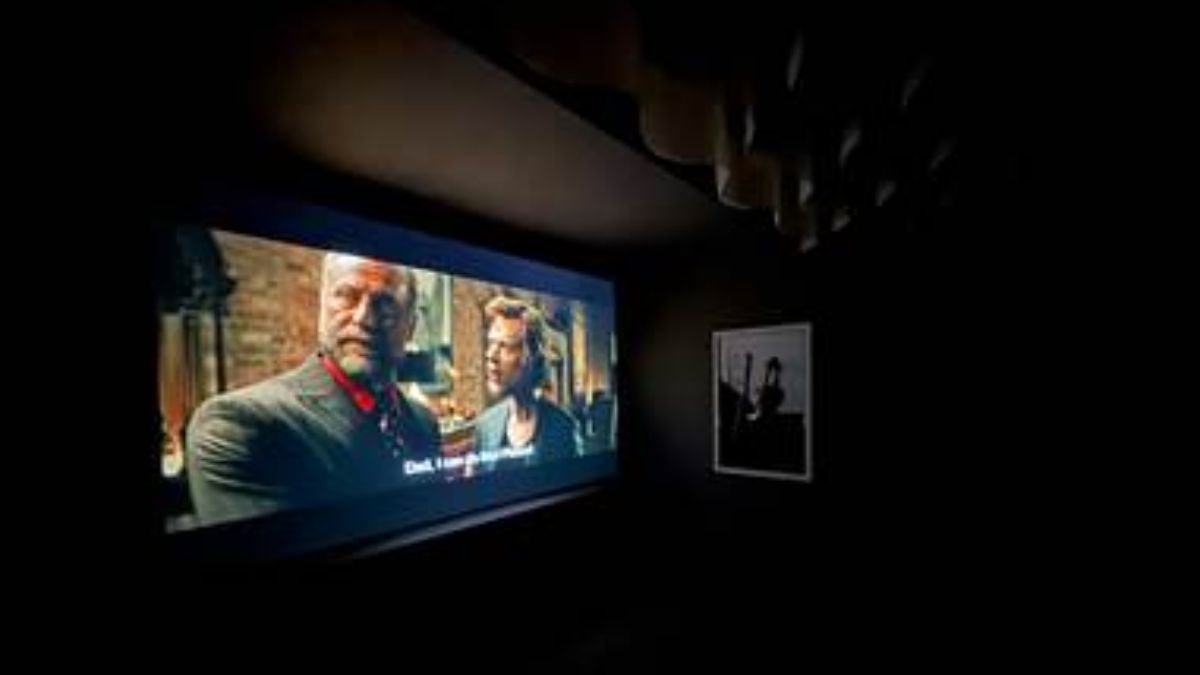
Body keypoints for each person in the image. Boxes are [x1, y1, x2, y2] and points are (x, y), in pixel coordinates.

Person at [185, 253, 442, 526]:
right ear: (322, 308)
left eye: (386, 305)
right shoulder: (235, 426)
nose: (364, 318)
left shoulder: (423, 421)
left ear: (411, 327)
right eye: (347, 296)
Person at [473, 296, 581, 470]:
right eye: (491, 343)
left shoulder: (563, 428)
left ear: (534, 358)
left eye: (505, 346)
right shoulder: (484, 426)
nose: (490, 355)